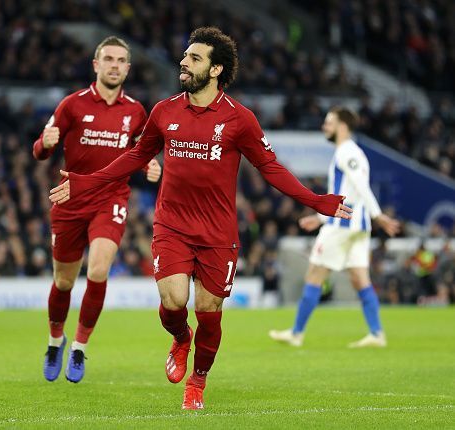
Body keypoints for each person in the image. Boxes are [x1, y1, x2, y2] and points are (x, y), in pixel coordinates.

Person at [49, 27, 351, 409]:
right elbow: (134, 157)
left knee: (208, 313)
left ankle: (198, 380)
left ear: (215, 69)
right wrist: (86, 182)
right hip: (172, 224)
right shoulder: (164, 111)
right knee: (173, 301)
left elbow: (271, 168)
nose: (183, 62)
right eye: (185, 56)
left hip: (217, 232)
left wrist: (315, 200)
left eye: (194, 58)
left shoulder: (239, 119)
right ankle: (179, 338)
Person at [33, 36, 162, 384]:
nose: (115, 65)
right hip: (70, 199)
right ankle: (55, 342)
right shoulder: (71, 105)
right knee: (63, 280)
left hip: (111, 198)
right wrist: (43, 145)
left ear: (128, 68)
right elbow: (43, 147)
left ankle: (78, 347)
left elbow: (142, 152)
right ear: (96, 64)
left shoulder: (136, 112)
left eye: (121, 60)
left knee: (99, 269)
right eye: (108, 59)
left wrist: (151, 167)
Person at [269, 106, 400, 348]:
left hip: (342, 225)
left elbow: (361, 186)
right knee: (360, 278)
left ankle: (296, 333)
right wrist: (320, 218)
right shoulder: (355, 152)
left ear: (342, 126)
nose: (324, 127)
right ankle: (376, 333)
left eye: (328, 122)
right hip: (357, 226)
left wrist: (378, 215)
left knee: (315, 274)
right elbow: (348, 193)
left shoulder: (346, 153)